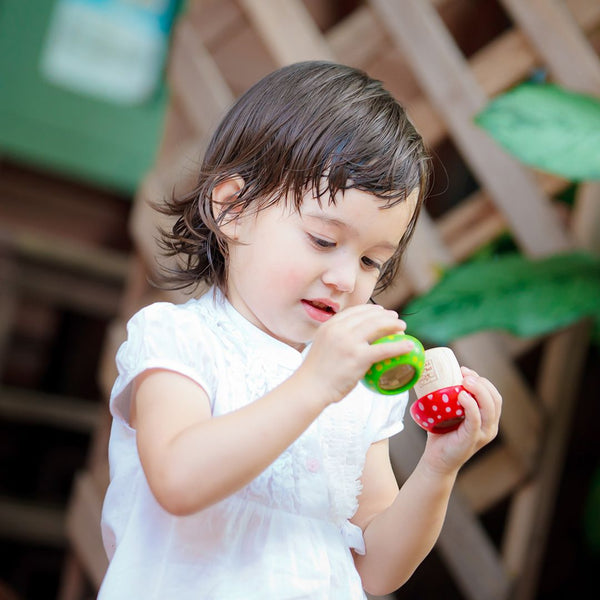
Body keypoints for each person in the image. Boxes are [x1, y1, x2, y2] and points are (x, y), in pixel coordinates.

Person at [98, 61, 502, 599]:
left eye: (370, 262)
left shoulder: (355, 388)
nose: (342, 278)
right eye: (322, 240)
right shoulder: (179, 341)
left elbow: (376, 570)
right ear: (233, 209)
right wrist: (313, 385)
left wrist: (438, 468)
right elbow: (178, 478)